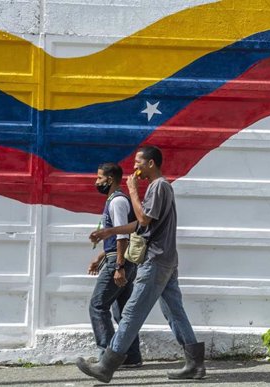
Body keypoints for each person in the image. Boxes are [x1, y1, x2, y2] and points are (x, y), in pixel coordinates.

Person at [76, 146, 205, 383]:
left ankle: (106, 366)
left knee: (132, 313)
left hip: (155, 260)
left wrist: (133, 191)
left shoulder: (159, 187)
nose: (134, 167)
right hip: (165, 259)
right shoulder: (158, 188)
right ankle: (195, 365)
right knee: (175, 313)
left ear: (151, 164)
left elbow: (143, 219)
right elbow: (141, 225)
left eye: (138, 162)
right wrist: (110, 232)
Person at [88, 163, 142, 368]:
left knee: (98, 305)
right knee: (122, 312)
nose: (96, 182)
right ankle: (132, 356)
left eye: (99, 178)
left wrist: (119, 267)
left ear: (110, 179)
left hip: (119, 262)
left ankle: (107, 357)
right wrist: (100, 257)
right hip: (117, 259)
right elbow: (115, 238)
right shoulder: (114, 200)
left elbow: (122, 235)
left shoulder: (118, 201)